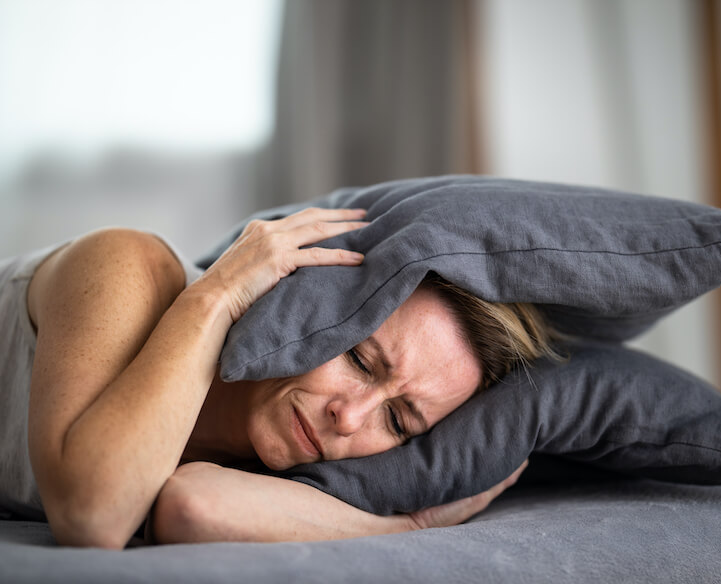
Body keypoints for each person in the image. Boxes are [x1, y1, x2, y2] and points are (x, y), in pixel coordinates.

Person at [0, 208, 558, 549]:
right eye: (361, 361)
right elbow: (92, 515)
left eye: (396, 420)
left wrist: (410, 527)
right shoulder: (128, 266)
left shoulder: (279, 462)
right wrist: (219, 294)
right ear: (311, 304)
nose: (349, 417)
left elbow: (192, 508)